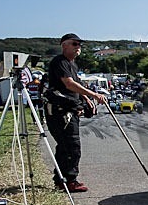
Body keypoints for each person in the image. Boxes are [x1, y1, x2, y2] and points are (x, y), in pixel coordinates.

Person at [44, 33, 108, 192]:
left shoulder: (72, 65)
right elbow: (69, 84)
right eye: (74, 43)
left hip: (69, 111)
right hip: (60, 112)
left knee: (64, 147)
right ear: (64, 45)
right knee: (71, 147)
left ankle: (61, 179)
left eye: (79, 44)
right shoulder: (59, 62)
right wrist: (94, 95)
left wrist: (86, 99)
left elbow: (77, 85)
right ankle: (69, 180)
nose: (78, 46)